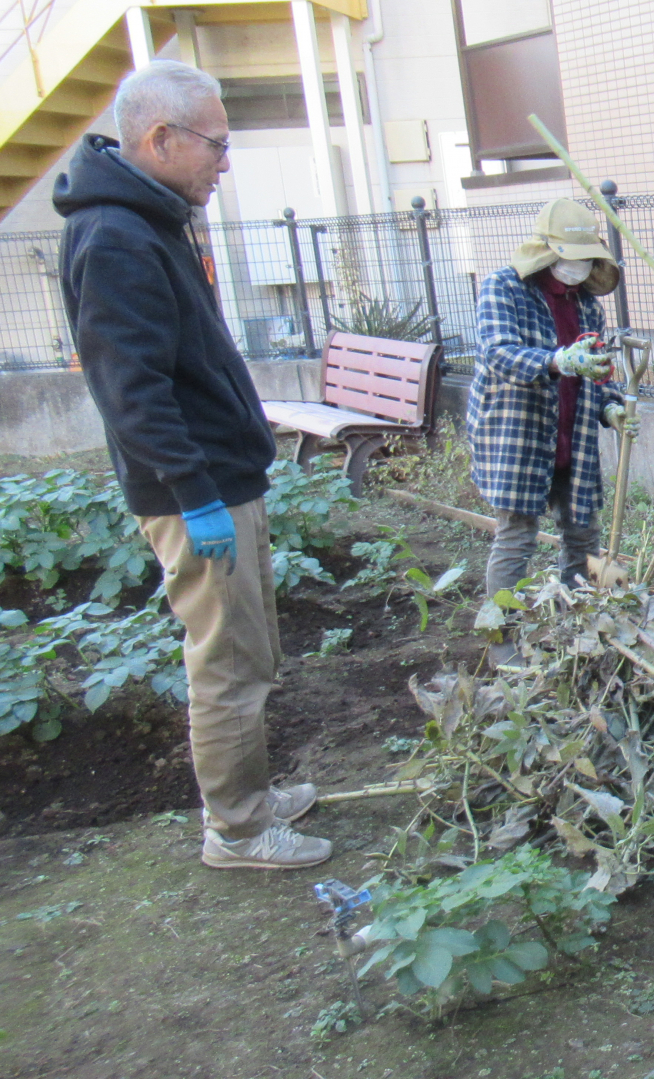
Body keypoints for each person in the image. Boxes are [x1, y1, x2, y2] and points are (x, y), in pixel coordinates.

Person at [56, 60, 331, 870]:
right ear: (161, 138)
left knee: (250, 649)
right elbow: (131, 388)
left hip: (218, 479)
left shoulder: (149, 221)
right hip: (198, 492)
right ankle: (238, 830)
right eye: (217, 143)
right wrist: (194, 492)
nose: (225, 162)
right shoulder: (116, 238)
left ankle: (249, 796)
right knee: (227, 662)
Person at [469, 199, 635, 663]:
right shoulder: (503, 288)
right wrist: (556, 360)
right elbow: (498, 353)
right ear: (546, 251)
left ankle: (578, 632)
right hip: (517, 434)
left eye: (584, 259)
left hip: (572, 436)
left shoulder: (587, 307)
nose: (575, 268)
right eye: (569, 257)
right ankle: (503, 645)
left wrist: (610, 409)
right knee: (517, 536)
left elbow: (597, 373)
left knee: (582, 533)